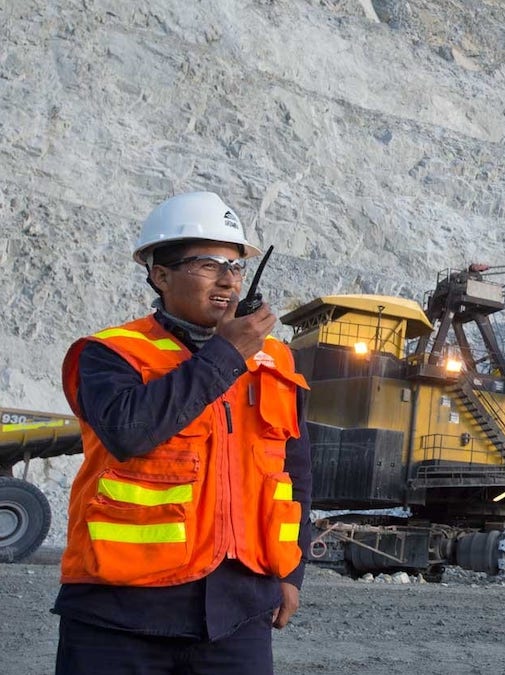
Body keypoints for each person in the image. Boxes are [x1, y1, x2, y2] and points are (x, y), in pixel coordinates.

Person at [53, 191, 312, 674]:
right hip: (119, 613)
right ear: (160, 274)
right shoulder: (110, 354)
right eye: (207, 263)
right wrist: (226, 356)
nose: (228, 280)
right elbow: (130, 433)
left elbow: (294, 473)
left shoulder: (275, 361)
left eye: (235, 266)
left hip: (239, 613)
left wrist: (294, 572)